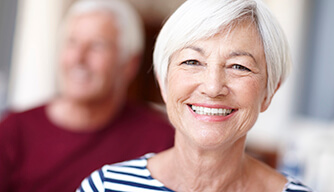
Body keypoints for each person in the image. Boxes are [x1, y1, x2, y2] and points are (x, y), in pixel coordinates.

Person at [78, 0, 314, 191]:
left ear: (269, 92)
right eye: (192, 61)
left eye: (239, 66)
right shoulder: (106, 186)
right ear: (164, 83)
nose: (212, 87)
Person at [0, 0, 175, 191]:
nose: (78, 58)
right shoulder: (13, 131)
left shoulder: (161, 140)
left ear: (130, 64)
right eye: (72, 42)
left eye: (96, 46)